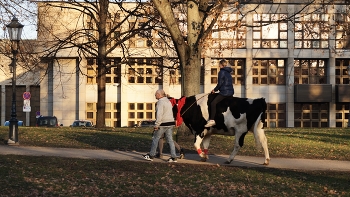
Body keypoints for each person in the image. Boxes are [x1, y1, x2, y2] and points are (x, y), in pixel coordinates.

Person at [143, 89, 178, 162]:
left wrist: (156, 125)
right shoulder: (168, 101)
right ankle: (174, 157)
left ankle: (151, 155)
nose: (155, 96)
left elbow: (159, 114)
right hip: (170, 123)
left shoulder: (160, 102)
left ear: (159, 95)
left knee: (155, 138)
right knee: (170, 140)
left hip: (162, 124)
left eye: (155, 94)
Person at [204, 59, 234, 127]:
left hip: (224, 92)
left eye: (219, 64)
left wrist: (214, 90)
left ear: (221, 65)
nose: (218, 65)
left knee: (213, 103)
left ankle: (212, 120)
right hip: (231, 92)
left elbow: (220, 84)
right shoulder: (229, 72)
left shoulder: (221, 72)